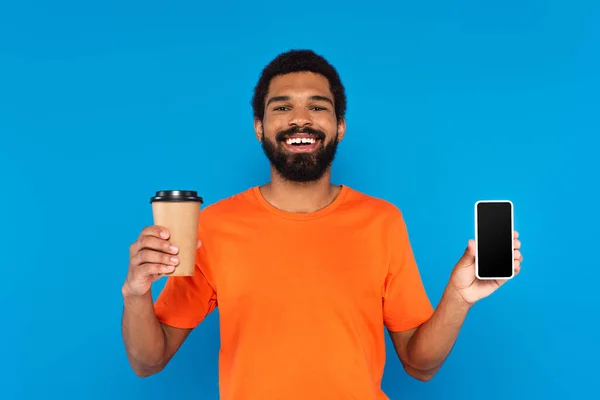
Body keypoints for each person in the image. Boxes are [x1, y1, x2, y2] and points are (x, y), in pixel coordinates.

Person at [121, 49, 523, 399]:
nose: (300, 119)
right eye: (281, 107)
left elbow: (420, 367)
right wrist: (136, 292)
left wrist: (458, 297)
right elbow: (148, 362)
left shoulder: (382, 221)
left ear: (339, 126)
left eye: (317, 106)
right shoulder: (214, 225)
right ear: (259, 128)